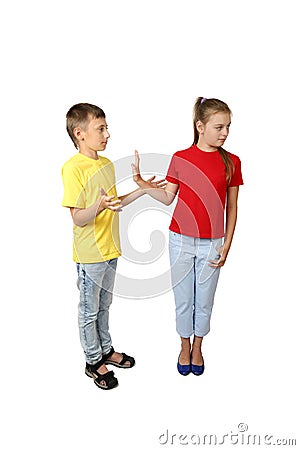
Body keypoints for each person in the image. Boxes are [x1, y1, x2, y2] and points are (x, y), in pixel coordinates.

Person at [132, 97, 244, 376]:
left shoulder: (232, 162)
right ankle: (184, 344)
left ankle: (198, 346)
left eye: (228, 127)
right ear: (200, 126)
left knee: (204, 299)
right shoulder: (181, 158)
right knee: (183, 298)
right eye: (219, 126)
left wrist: (227, 243)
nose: (225, 132)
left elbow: (232, 206)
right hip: (180, 240)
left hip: (213, 243)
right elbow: (168, 197)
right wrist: (144, 185)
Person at [62, 103, 164, 389]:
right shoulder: (73, 168)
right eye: (101, 129)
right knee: (88, 310)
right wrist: (98, 205)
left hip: (111, 250)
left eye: (106, 128)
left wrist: (142, 189)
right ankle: (93, 361)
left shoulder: (106, 165)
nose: (107, 134)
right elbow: (79, 218)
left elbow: (115, 204)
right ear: (80, 133)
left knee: (104, 306)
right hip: (90, 254)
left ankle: (106, 349)